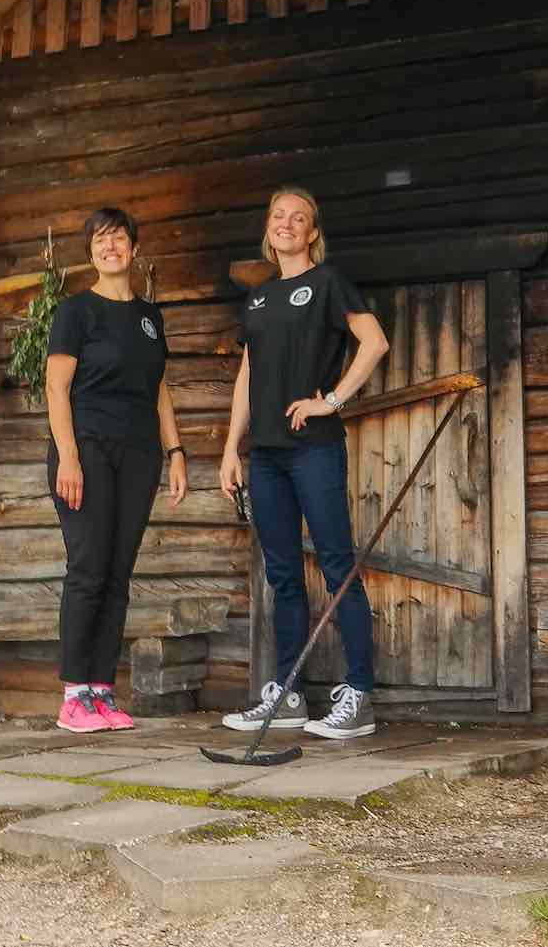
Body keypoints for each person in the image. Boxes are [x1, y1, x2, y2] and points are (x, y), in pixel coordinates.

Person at [219, 185, 390, 739]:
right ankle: (287, 695)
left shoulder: (328, 282)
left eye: (298, 218)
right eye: (277, 216)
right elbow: (248, 373)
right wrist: (231, 448)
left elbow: (374, 343)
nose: (286, 224)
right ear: (268, 228)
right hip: (266, 456)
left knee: (338, 566)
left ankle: (358, 695)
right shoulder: (260, 298)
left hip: (314, 449)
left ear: (313, 232)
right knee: (283, 574)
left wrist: (331, 400)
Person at [44, 206, 187, 732]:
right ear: (91, 252)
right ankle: (73, 694)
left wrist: (175, 452)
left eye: (119, 237)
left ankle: (101, 689)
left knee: (118, 572)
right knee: (89, 567)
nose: (111, 246)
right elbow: (57, 388)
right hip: (86, 450)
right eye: (101, 239)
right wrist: (69, 457)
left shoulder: (150, 317)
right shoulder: (75, 312)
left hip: (139, 454)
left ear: (133, 247)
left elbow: (160, 390)